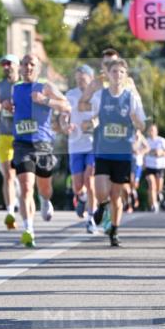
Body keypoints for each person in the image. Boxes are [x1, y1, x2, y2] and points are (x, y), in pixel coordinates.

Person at [11, 54, 70, 248]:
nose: (28, 67)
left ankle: (45, 200)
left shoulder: (46, 86)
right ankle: (28, 229)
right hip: (21, 143)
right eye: (25, 64)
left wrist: (45, 101)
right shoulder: (15, 88)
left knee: (44, 187)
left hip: (43, 143)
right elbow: (7, 107)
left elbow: (66, 106)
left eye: (32, 64)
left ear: (38, 67)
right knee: (26, 186)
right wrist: (4, 106)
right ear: (20, 67)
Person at [90, 59, 146, 247]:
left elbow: (142, 125)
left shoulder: (131, 98)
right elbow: (93, 118)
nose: (117, 75)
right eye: (114, 71)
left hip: (122, 154)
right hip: (103, 151)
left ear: (125, 75)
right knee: (100, 190)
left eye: (121, 72)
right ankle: (101, 206)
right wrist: (88, 124)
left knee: (116, 196)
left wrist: (135, 118)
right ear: (108, 74)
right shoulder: (100, 96)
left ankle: (114, 230)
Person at [62, 64, 99, 234]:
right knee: (78, 185)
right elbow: (64, 115)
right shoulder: (70, 95)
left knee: (89, 179)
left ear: (91, 79)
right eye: (78, 77)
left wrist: (94, 123)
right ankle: (82, 198)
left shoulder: (98, 96)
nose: (80, 80)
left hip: (93, 144)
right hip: (75, 144)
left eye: (83, 77)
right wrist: (65, 125)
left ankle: (90, 219)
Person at [0, 54, 20, 228]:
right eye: (3, 65)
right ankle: (10, 213)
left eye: (9, 64)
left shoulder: (24, 85)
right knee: (8, 174)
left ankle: (28, 203)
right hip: (5, 134)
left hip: (23, 135)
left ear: (17, 65)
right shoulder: (0, 85)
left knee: (24, 177)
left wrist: (17, 107)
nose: (6, 67)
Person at [143, 124, 165, 212]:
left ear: (156, 131)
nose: (151, 132)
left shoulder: (161, 140)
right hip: (149, 166)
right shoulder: (145, 141)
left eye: (153, 130)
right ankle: (154, 205)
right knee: (152, 184)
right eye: (150, 130)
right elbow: (141, 153)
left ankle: (159, 194)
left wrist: (161, 153)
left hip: (160, 166)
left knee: (158, 187)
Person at [129, 129, 149, 212]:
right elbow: (129, 148)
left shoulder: (142, 138)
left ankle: (135, 198)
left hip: (138, 164)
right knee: (130, 183)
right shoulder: (130, 138)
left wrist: (141, 152)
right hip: (130, 163)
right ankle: (130, 204)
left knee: (135, 184)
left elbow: (147, 148)